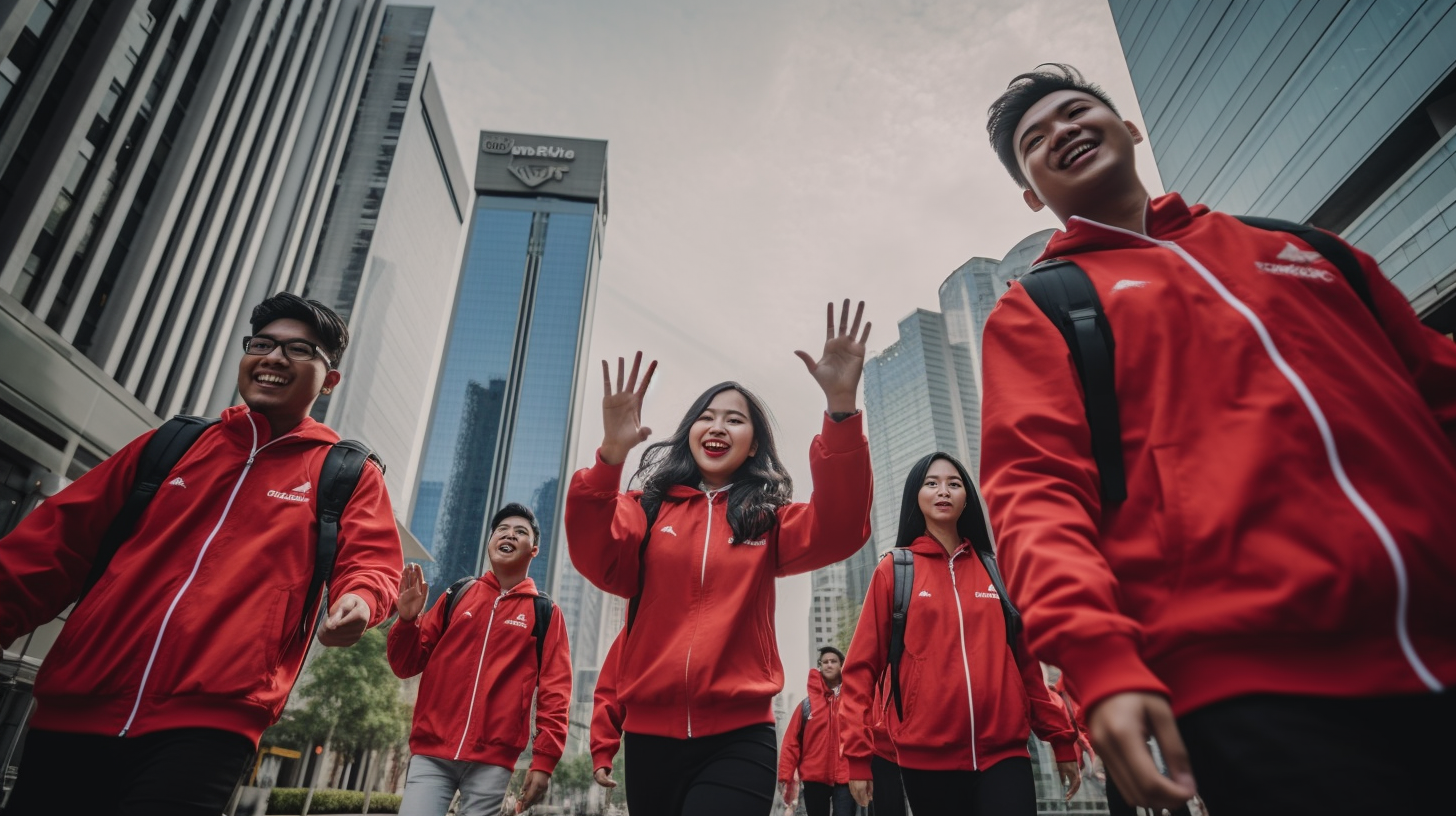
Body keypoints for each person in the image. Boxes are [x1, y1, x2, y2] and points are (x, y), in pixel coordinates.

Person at [979, 63, 1456, 815]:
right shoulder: (1040, 307)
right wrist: (1101, 661)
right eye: (1035, 141)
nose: (1062, 132)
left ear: (1129, 127)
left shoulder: (1309, 251)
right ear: (1034, 195)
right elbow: (1035, 496)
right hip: (1254, 688)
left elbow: (1441, 399)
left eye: (1076, 112)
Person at [0, 292, 403, 816]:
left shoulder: (345, 473)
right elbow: (55, 544)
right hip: (76, 706)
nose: (275, 358)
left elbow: (372, 561)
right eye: (262, 344)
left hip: (209, 727)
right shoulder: (171, 444)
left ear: (330, 380)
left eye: (299, 350)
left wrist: (362, 600)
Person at [564, 299, 875, 816]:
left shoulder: (766, 520)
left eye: (735, 420)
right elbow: (596, 556)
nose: (718, 426)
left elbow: (841, 528)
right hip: (651, 740)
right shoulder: (646, 511)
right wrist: (609, 458)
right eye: (707, 417)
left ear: (753, 445)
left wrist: (841, 409)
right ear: (690, 432)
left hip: (741, 736)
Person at [841, 452, 1080, 815]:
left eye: (954, 484)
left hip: (1005, 753)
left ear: (966, 497)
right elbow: (860, 671)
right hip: (925, 758)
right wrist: (858, 757)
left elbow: (1027, 669)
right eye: (931, 483)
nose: (943, 491)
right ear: (915, 496)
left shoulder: (996, 572)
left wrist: (1062, 739)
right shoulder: (895, 571)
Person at [386, 503, 570, 816]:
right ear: (490, 542)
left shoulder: (545, 614)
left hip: (492, 762)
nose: (509, 534)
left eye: (520, 531)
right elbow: (406, 665)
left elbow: (556, 695)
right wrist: (406, 622)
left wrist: (544, 761)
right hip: (432, 754)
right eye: (502, 529)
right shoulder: (457, 595)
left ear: (533, 550)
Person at [777, 647, 852, 816]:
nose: (829, 665)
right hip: (814, 777)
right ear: (820, 666)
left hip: (846, 776)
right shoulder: (806, 705)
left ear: (841, 665)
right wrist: (785, 775)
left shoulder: (852, 701)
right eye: (825, 662)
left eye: (833, 661)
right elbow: (791, 741)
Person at [591, 630, 626, 791]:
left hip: (711, 744)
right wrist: (602, 754)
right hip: (647, 746)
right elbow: (610, 691)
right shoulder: (642, 615)